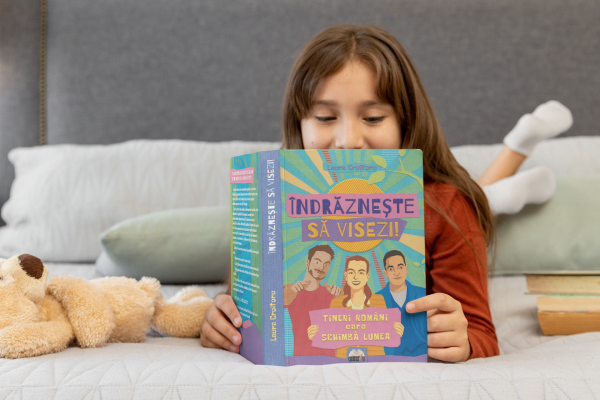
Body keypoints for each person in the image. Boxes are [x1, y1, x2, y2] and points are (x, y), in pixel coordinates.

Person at [200, 25, 571, 362]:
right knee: (485, 198)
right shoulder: (271, 202)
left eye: (373, 118)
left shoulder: (448, 207)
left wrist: (464, 341)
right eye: (325, 118)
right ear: (299, 125)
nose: (348, 142)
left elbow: (481, 334)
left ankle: (513, 156)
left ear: (406, 121)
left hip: (447, 205)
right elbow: (249, 310)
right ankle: (506, 183)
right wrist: (224, 320)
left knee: (472, 199)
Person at [307, 256, 396, 358]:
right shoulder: (336, 303)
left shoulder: (378, 300)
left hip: (374, 359)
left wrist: (395, 330)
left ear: (367, 276)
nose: (355, 277)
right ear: (346, 276)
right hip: (343, 360)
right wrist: (315, 334)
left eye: (361, 272)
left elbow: (385, 330)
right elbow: (329, 335)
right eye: (351, 272)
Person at [283, 244, 341, 356]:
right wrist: (292, 291)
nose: (321, 267)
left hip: (331, 359)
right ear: (307, 263)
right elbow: (274, 303)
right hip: (302, 358)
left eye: (326, 264)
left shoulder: (331, 294)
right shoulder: (292, 291)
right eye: (317, 262)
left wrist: (339, 294)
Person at [377, 250, 427, 356]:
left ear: (406, 269)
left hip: (422, 353)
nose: (396, 273)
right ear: (385, 273)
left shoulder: (422, 293)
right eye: (391, 269)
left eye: (400, 267)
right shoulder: (376, 299)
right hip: (389, 357)